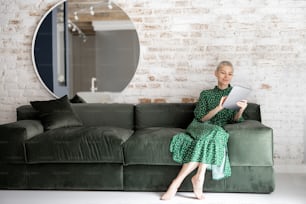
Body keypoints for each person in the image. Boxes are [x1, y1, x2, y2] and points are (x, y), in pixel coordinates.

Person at [161, 61, 248, 200]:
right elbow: (201, 118)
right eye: (223, 72)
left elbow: (235, 120)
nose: (226, 76)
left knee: (216, 133)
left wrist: (241, 110)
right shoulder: (206, 94)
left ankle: (177, 183)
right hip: (199, 126)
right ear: (216, 73)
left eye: (230, 74)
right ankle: (196, 179)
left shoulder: (235, 95)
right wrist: (219, 107)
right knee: (216, 133)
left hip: (216, 130)